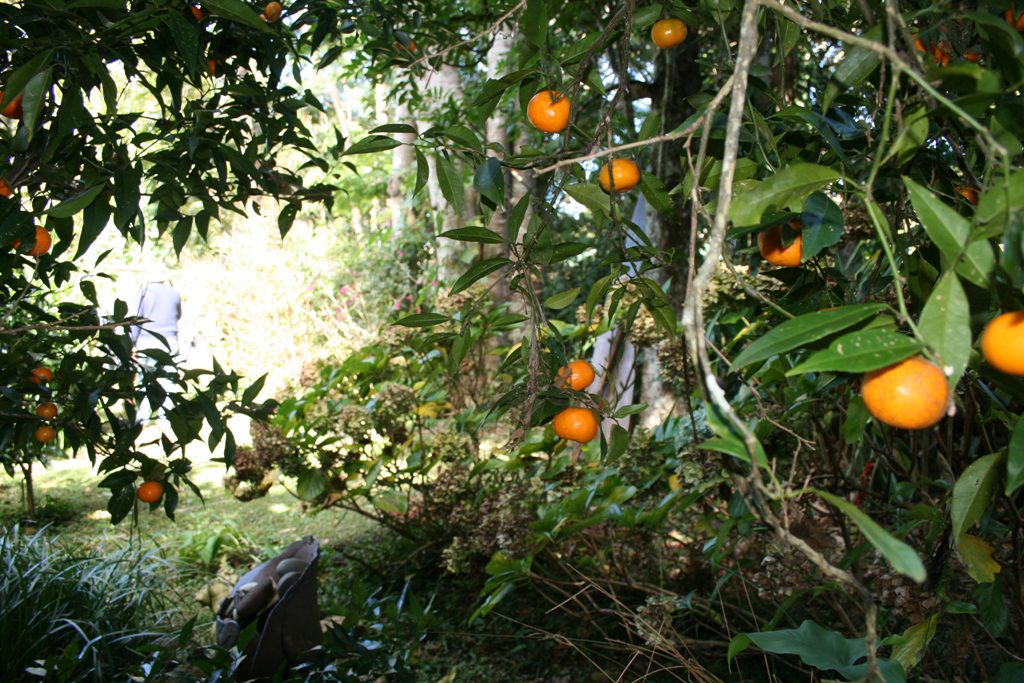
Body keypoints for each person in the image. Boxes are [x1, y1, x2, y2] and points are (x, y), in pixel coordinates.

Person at [129, 277, 182, 424]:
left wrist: (131, 343)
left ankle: (142, 420)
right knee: (169, 381)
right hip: (171, 341)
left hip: (147, 343)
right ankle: (167, 420)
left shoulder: (144, 293)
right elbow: (178, 316)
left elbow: (135, 320)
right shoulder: (174, 293)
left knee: (144, 380)